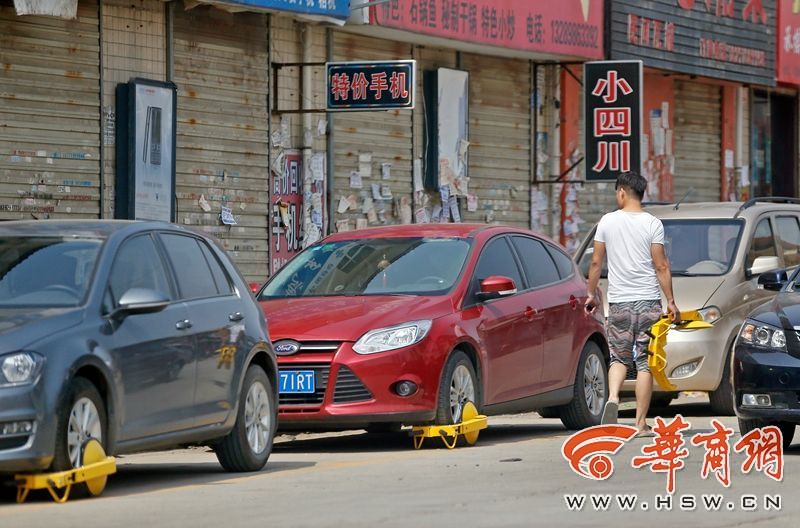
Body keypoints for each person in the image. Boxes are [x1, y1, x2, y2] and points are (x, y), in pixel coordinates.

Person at [585, 171, 679, 437]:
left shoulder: (607, 222)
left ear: (622, 192)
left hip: (619, 303)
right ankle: (639, 423)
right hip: (648, 302)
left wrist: (591, 293)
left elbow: (595, 263)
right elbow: (661, 265)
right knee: (645, 364)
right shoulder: (653, 223)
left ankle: (613, 397)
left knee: (618, 357)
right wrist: (670, 301)